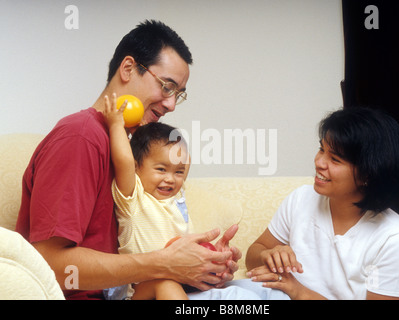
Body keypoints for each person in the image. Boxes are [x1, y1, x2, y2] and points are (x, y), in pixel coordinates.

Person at [15, 20, 240, 300]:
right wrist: (166, 264)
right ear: (128, 69)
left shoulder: (132, 149)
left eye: (178, 95)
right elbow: (47, 263)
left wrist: (205, 265)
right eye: (166, 87)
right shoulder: (81, 137)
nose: (171, 104)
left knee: (254, 295)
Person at [188, 107, 399, 300]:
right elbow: (253, 256)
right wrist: (271, 254)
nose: (319, 162)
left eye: (335, 159)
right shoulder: (302, 198)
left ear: (368, 174)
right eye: (322, 149)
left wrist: (300, 292)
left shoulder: (396, 241)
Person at [102, 94, 193, 300]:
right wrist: (117, 125)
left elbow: (184, 160)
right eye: (161, 169)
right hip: (137, 292)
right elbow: (124, 160)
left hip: (178, 284)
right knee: (165, 284)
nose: (170, 179)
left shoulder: (177, 196)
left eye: (178, 172)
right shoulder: (133, 199)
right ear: (136, 167)